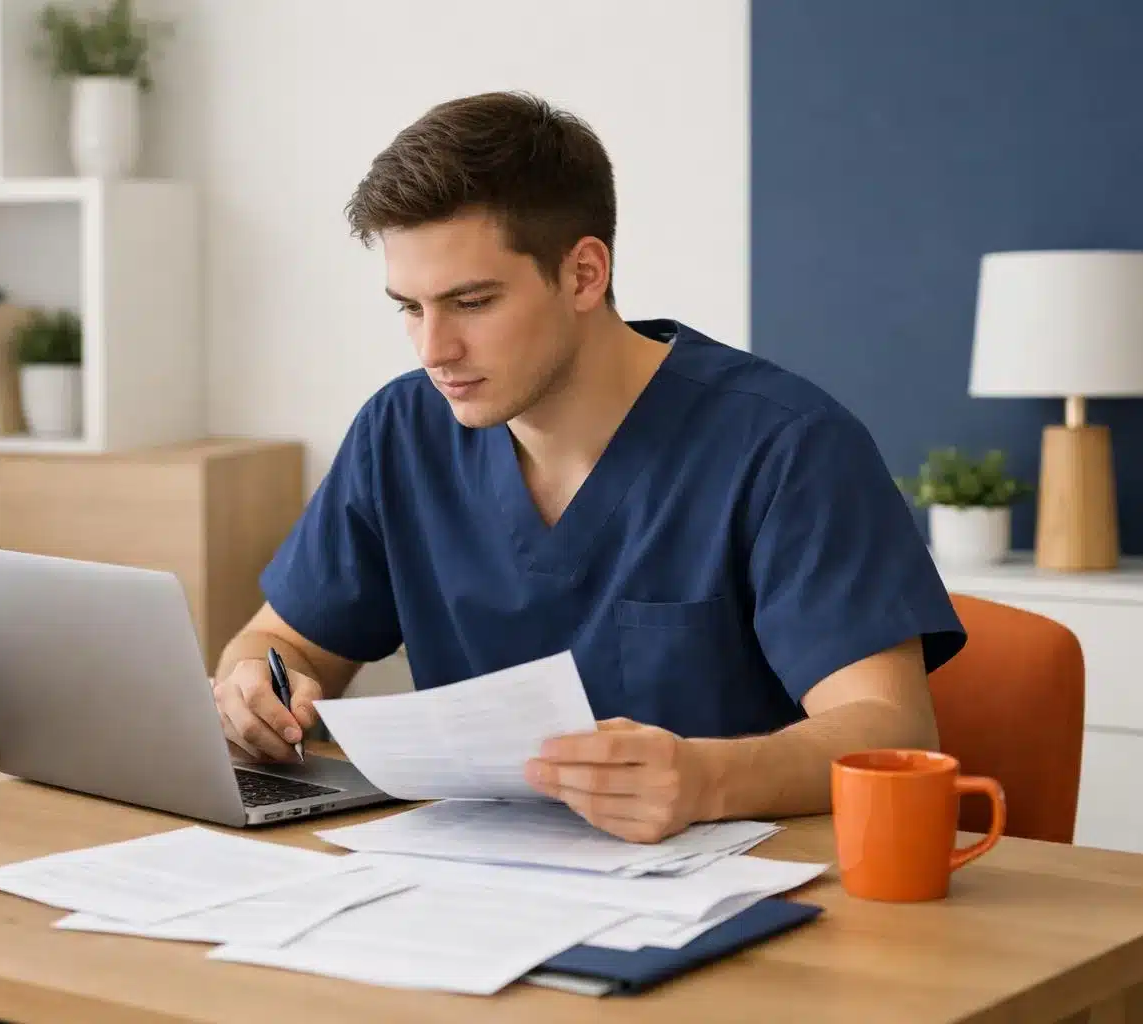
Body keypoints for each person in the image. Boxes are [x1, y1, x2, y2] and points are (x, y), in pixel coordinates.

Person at [211, 90, 965, 843]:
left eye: (471, 303)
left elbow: (891, 732)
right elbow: (284, 642)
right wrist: (255, 681)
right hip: (474, 887)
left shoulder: (788, 447)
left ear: (583, 274)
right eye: (409, 307)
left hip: (744, 894)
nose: (433, 350)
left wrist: (706, 780)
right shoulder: (402, 432)